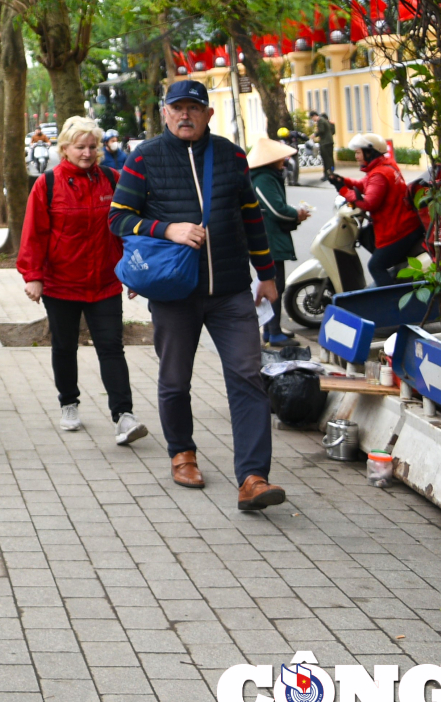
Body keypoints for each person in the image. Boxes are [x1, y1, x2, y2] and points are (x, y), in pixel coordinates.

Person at [109, 79, 286, 511]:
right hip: (175, 291)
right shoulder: (144, 158)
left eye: (194, 108)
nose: (185, 115)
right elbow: (118, 219)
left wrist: (266, 274)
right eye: (177, 108)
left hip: (230, 292)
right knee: (175, 379)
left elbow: (252, 220)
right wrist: (166, 229)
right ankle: (182, 453)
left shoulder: (231, 156)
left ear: (208, 114)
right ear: (165, 112)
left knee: (248, 377)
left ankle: (253, 478)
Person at [17, 116, 148, 446]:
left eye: (93, 147)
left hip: (104, 281)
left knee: (111, 347)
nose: (88, 153)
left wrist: (133, 273)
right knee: (64, 346)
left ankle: (124, 416)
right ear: (65, 149)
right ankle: (69, 403)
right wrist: (33, 276)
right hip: (61, 283)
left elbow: (127, 230)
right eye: (80, 147)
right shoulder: (47, 185)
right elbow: (34, 234)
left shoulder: (112, 179)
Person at [333, 133, 424, 285]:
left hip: (398, 230)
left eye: (358, 152)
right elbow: (365, 185)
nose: (356, 156)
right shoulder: (385, 166)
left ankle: (392, 301)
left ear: (369, 152)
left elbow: (368, 204)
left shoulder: (380, 174)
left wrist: (343, 190)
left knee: (375, 266)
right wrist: (343, 181)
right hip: (405, 224)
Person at [246, 135, 311, 344]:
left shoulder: (268, 176)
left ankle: (272, 329)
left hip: (270, 236)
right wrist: (296, 214)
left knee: (276, 283)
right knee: (273, 284)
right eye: (280, 158)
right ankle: (273, 332)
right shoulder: (263, 179)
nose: (284, 161)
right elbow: (277, 210)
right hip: (267, 238)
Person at [313, 110, 337, 179]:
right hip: (330, 141)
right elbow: (333, 132)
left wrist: (315, 134)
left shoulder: (320, 121)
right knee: (330, 158)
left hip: (325, 143)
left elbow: (321, 130)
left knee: (326, 159)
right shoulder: (329, 123)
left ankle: (327, 174)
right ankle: (331, 172)